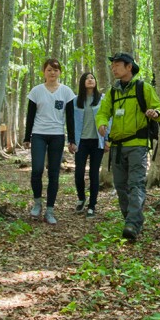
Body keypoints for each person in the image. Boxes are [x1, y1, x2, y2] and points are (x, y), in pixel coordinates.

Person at [96, 52, 160, 242]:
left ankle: (133, 224)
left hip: (138, 145)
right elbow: (103, 112)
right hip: (117, 147)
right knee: (120, 186)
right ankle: (131, 221)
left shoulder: (144, 88)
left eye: (117, 65)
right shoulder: (113, 91)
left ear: (129, 67)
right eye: (112, 66)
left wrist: (155, 113)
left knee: (136, 184)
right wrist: (101, 124)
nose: (114, 68)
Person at [23, 58, 76, 225]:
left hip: (57, 135)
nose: (52, 73)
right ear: (44, 72)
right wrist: (27, 137)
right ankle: (37, 204)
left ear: (60, 72)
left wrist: (72, 139)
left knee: (54, 173)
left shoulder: (66, 92)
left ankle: (50, 210)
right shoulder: (36, 91)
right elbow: (30, 115)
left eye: (56, 70)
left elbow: (70, 118)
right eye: (49, 70)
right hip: (38, 134)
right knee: (37, 169)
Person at [68, 71, 108, 217]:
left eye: (92, 78)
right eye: (87, 78)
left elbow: (107, 120)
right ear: (82, 82)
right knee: (79, 173)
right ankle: (81, 198)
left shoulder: (103, 99)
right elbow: (71, 123)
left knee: (94, 174)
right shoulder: (75, 101)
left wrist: (107, 140)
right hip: (81, 142)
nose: (90, 80)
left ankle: (92, 205)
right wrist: (71, 141)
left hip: (97, 141)